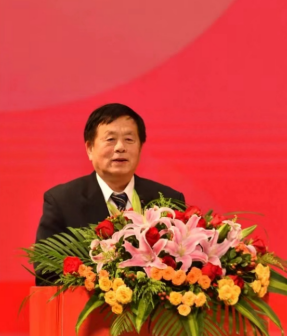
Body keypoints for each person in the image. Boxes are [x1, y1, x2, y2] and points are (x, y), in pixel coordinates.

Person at [35, 103, 185, 285]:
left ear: (140, 148)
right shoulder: (62, 202)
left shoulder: (168, 200)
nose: (120, 147)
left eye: (129, 139)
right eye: (110, 139)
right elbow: (47, 275)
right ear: (89, 148)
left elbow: (186, 271)